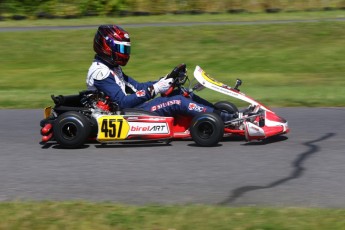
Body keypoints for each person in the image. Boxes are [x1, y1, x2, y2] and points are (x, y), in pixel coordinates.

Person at [86, 25, 237, 121]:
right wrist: (155, 89)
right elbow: (122, 102)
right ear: (107, 47)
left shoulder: (111, 67)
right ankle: (220, 119)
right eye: (122, 49)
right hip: (125, 114)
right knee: (178, 102)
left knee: (183, 93)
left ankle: (218, 113)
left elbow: (137, 87)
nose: (125, 53)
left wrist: (163, 81)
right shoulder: (100, 73)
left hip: (132, 108)